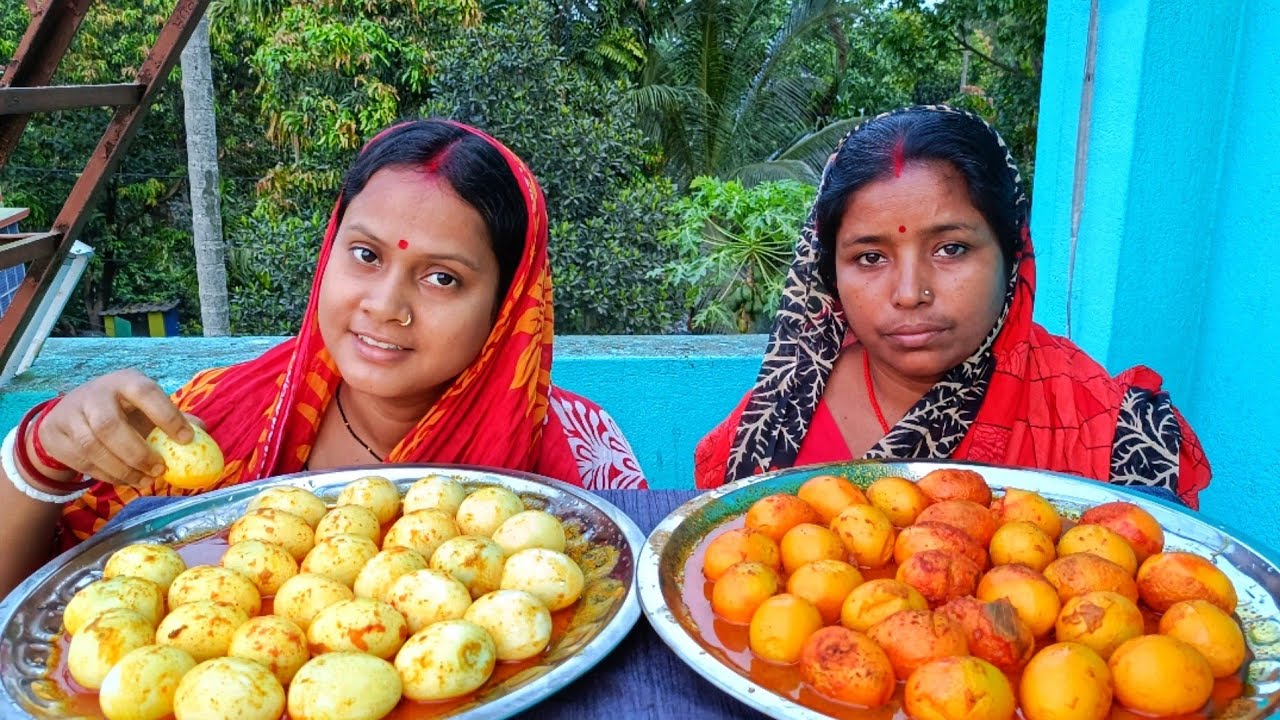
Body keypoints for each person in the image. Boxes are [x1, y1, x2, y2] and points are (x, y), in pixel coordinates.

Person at [1, 119, 645, 595]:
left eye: (442, 277)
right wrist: (44, 457)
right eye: (366, 255)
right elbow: (35, 611)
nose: (385, 305)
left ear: (506, 306)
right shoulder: (204, 418)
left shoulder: (586, 461)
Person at [695, 105, 1210, 507]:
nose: (909, 292)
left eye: (951, 249)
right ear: (828, 270)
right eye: (870, 257)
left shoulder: (1112, 434)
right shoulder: (782, 408)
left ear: (1012, 254)